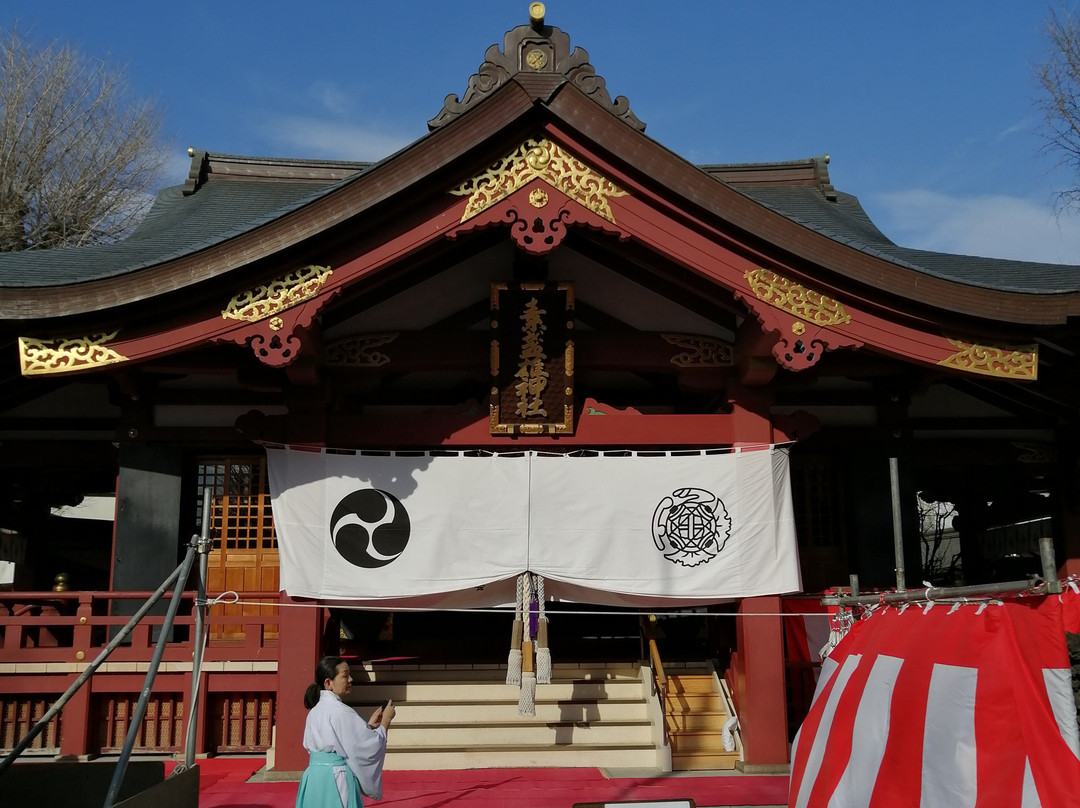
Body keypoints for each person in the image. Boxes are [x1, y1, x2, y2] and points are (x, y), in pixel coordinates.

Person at [295, 655, 395, 808]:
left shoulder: (315, 711)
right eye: (345, 675)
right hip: (335, 777)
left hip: (313, 776)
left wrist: (368, 726)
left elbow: (343, 739)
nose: (350, 680)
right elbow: (367, 746)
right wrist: (385, 721)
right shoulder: (340, 711)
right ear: (329, 683)